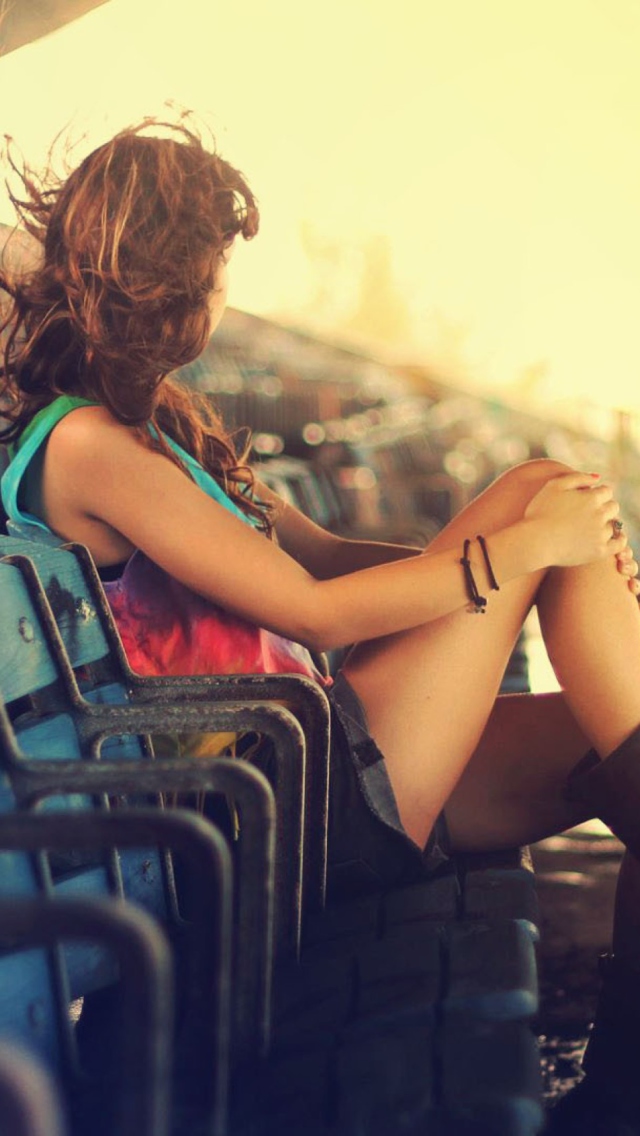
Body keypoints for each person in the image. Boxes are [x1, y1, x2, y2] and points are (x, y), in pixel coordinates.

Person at [1, 117, 640, 1133]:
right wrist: (522, 550)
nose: (222, 297)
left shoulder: (151, 422)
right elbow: (313, 612)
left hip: (318, 769)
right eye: (214, 271)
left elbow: (331, 561)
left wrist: (512, 573)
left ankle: (615, 1100)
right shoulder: (86, 446)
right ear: (167, 277)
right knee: (538, 494)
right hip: (283, 815)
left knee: (620, 743)